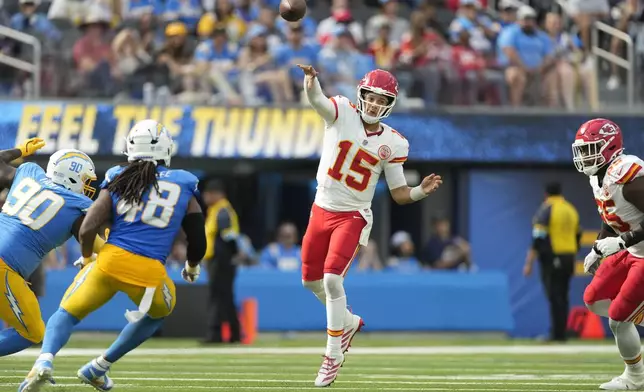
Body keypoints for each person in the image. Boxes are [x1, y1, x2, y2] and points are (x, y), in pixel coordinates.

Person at [18, 119, 207, 392]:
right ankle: (99, 367)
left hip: (107, 262)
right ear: (165, 148)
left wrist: (86, 257)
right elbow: (197, 237)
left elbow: (88, 228)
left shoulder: (118, 175)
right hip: (148, 274)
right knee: (157, 314)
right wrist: (192, 265)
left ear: (130, 147)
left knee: (66, 313)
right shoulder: (184, 182)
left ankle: (44, 361)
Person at [297, 63, 443, 387]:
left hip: (353, 215)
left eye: (382, 100)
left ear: (390, 105)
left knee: (333, 279)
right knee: (310, 282)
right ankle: (347, 321)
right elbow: (317, 101)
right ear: (361, 95)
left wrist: (420, 191)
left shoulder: (394, 142)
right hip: (321, 208)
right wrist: (310, 81)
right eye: (371, 98)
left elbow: (399, 193)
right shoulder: (342, 112)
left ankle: (332, 355)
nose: (375, 105)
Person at [0, 139, 103, 358]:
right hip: (4, 264)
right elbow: (104, 247)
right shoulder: (77, 205)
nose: (88, 186)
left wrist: (20, 150)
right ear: (72, 176)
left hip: (7, 263)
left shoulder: (28, 172)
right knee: (32, 332)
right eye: (85, 180)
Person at [575, 118, 644, 390]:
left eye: (590, 148)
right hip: (633, 250)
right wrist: (597, 246)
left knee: (618, 318)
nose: (584, 156)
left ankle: (636, 378)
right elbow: (612, 216)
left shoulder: (628, 175)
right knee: (594, 299)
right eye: (581, 150)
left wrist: (621, 242)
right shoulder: (599, 176)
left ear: (610, 146)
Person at [523, 182, 580, 342]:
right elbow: (578, 236)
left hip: (552, 257)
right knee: (563, 295)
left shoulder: (546, 209)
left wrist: (529, 263)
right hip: (569, 257)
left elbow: (538, 237)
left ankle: (557, 334)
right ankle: (561, 332)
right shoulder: (571, 209)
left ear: (546, 194)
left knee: (554, 296)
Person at [202, 179, 241, 344]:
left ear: (217, 194)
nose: (205, 197)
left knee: (217, 297)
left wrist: (229, 255)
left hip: (221, 260)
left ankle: (215, 334)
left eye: (208, 194)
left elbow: (228, 237)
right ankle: (234, 334)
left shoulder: (222, 211)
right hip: (220, 260)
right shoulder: (216, 210)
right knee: (224, 297)